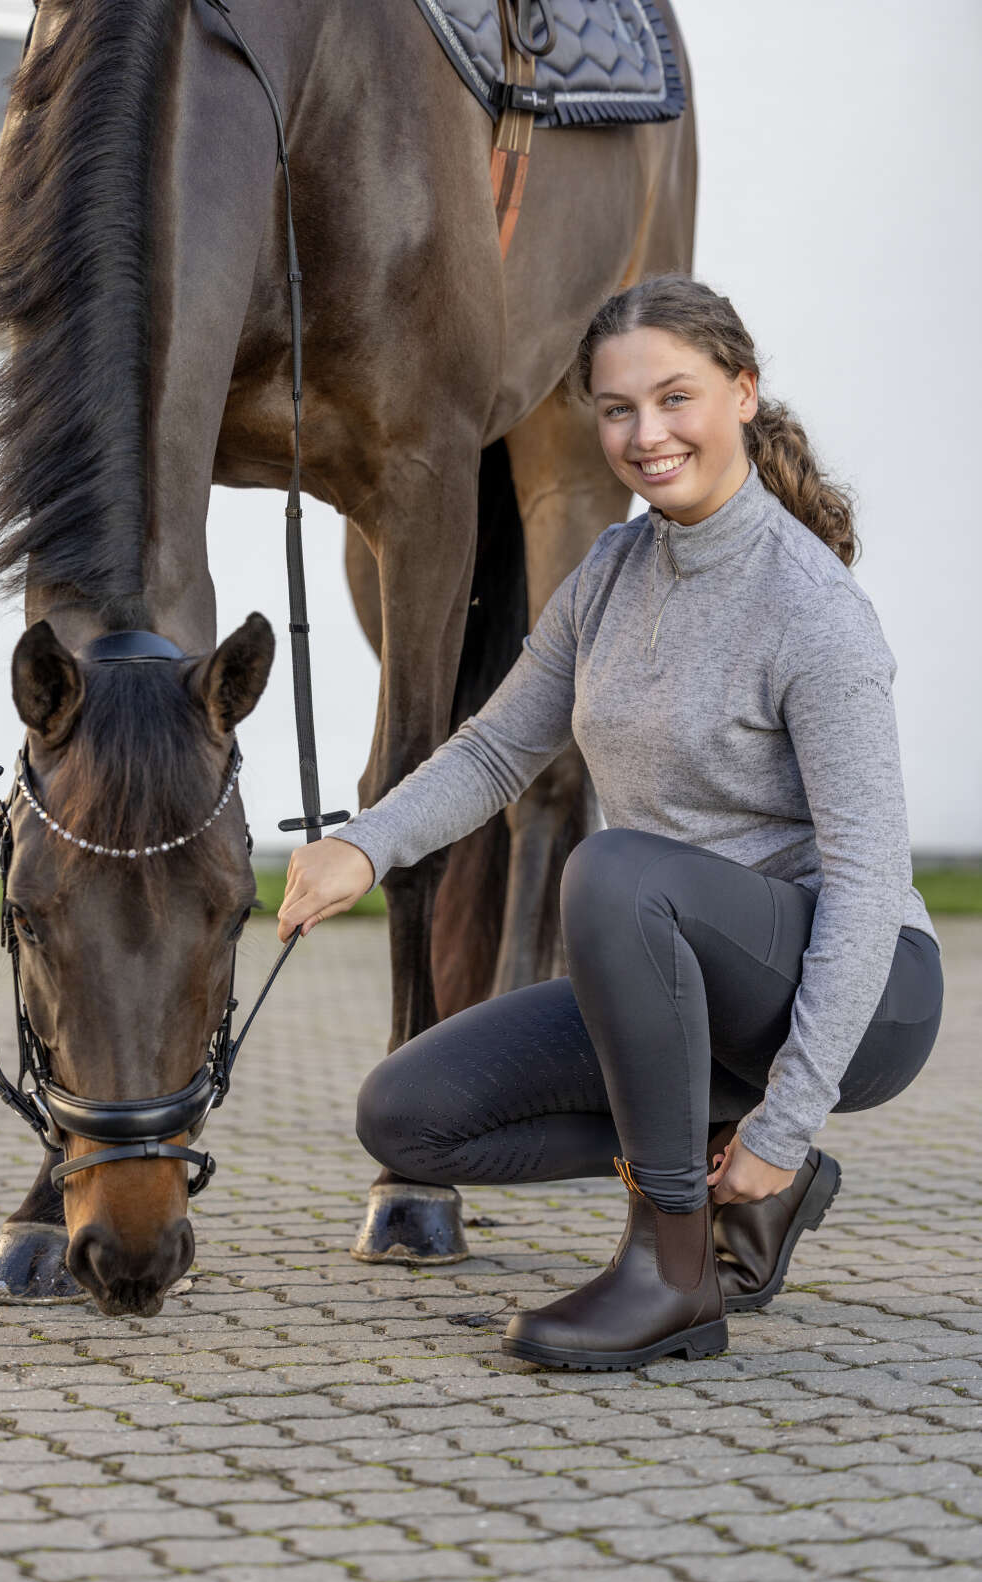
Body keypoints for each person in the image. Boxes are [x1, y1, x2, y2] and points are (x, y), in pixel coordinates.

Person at [275, 274, 944, 1372]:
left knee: (615, 869)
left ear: (740, 393)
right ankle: (707, 1167)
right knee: (408, 1116)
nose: (645, 434)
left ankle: (671, 1268)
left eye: (673, 398)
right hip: (668, 978)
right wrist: (363, 842)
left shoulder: (810, 611)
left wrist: (782, 1126)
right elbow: (497, 748)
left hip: (858, 992)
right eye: (616, 408)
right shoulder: (611, 570)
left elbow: (868, 883)